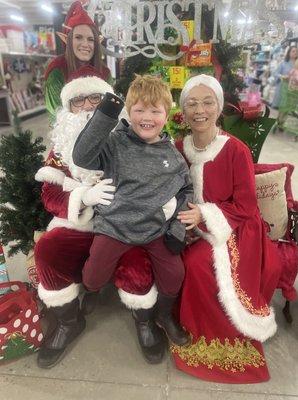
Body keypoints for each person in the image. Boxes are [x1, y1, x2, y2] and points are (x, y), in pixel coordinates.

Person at [35, 67, 162, 369]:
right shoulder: (60, 149)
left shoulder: (128, 138)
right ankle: (68, 321)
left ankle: (143, 320)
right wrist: (83, 197)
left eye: (96, 98)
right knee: (48, 250)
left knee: (137, 263)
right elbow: (50, 196)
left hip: (121, 226)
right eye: (79, 101)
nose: (89, 106)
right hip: (78, 224)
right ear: (68, 109)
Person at [171, 74, 281, 383]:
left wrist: (204, 216)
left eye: (208, 103)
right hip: (190, 223)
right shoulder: (179, 147)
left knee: (198, 263)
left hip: (236, 228)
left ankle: (216, 338)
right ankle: (177, 323)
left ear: (219, 108)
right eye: (192, 103)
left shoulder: (236, 150)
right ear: (183, 110)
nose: (199, 110)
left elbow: (246, 208)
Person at [72, 75, 193, 348]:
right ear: (128, 112)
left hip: (154, 229)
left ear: (167, 113)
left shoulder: (173, 157)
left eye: (155, 110)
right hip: (114, 226)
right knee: (92, 277)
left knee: (175, 274)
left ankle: (162, 315)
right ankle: (91, 291)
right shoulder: (115, 143)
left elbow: (187, 191)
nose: (146, 117)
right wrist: (105, 114)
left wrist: (176, 228)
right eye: (139, 109)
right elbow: (81, 156)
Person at [44, 1, 111, 124]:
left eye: (91, 39)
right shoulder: (57, 71)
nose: (85, 44)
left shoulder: (104, 72)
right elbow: (57, 116)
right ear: (67, 40)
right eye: (78, 37)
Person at [271, 46, 298, 129]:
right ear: (289, 53)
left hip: (294, 89)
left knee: (289, 107)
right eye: (293, 51)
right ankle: (279, 122)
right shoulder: (283, 63)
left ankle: (282, 123)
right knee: (282, 107)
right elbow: (275, 74)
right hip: (284, 88)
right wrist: (283, 76)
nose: (295, 53)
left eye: (296, 51)